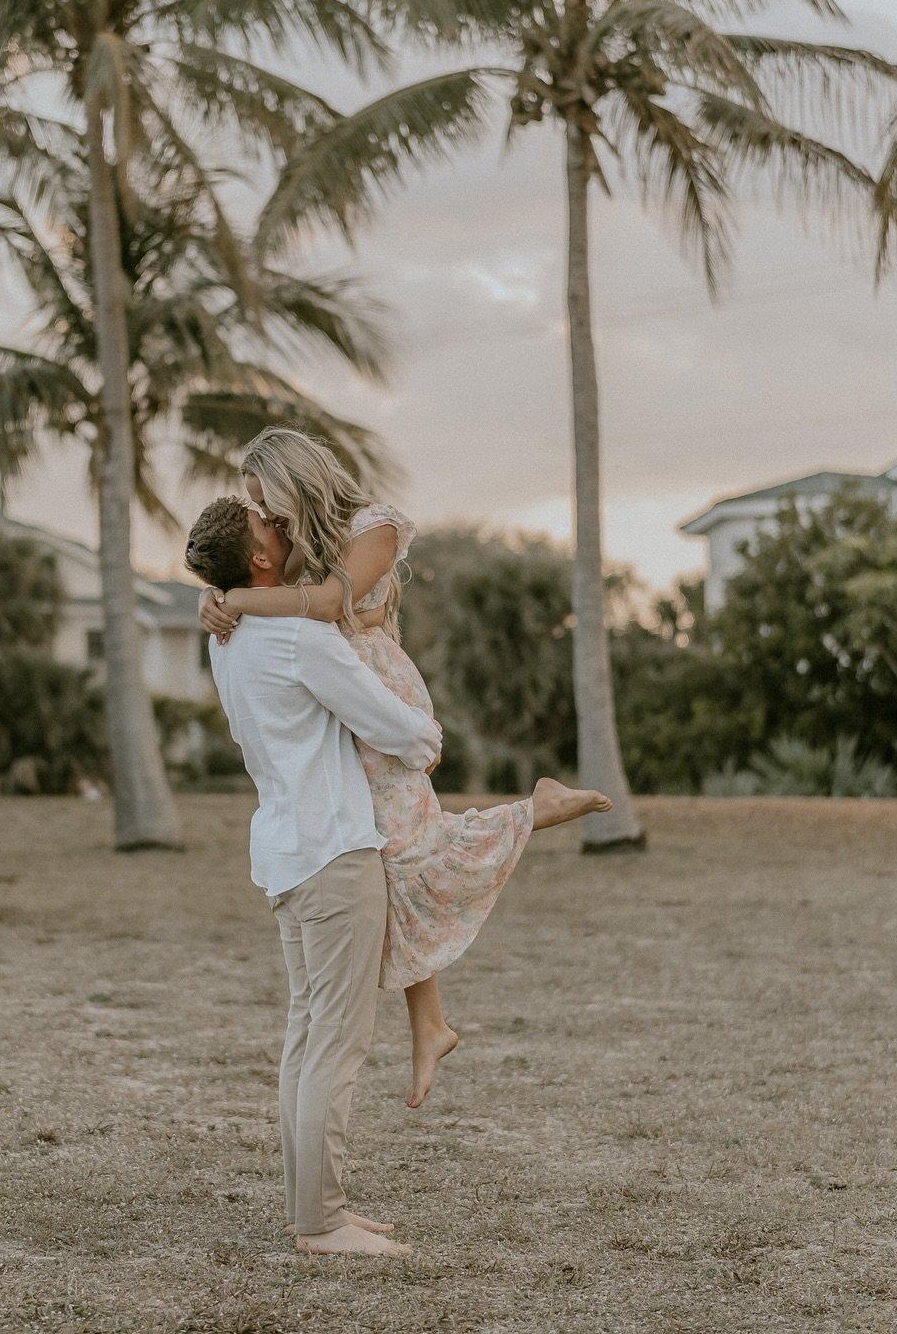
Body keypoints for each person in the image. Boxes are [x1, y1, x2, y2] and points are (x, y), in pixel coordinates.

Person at [198, 427, 612, 1109]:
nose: (266, 522)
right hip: (337, 708)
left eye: (266, 504)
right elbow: (267, 590)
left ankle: (536, 810)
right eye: (256, 511)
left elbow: (330, 606)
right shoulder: (300, 548)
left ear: (295, 483)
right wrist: (211, 593)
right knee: (394, 859)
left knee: (412, 852)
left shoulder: (375, 528)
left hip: (377, 701)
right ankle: (431, 1024)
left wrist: (235, 601)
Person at [185, 494, 439, 1258]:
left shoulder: (226, 637)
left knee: (307, 1038)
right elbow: (398, 729)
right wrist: (428, 734)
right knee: (335, 1041)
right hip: (334, 853)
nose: (284, 527)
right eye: (271, 526)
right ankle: (323, 1223)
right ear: (261, 560)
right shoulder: (294, 635)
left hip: (287, 853)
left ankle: (314, 1213)